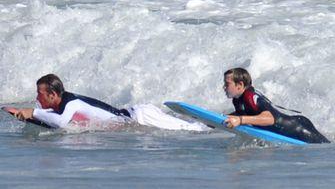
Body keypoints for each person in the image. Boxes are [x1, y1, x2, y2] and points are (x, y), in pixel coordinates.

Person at [7, 74, 208, 131]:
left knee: (193, 130)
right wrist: (21, 115)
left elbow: (59, 123)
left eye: (40, 94)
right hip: (135, 119)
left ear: (52, 94)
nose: (37, 98)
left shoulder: (71, 103)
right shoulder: (60, 108)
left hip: (141, 116)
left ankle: (216, 125)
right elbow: (55, 125)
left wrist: (31, 112)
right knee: (187, 127)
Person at [223, 67, 330, 143]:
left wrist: (240, 120)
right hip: (290, 127)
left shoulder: (251, 98)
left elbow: (270, 119)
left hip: (298, 128)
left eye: (227, 84)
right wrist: (221, 119)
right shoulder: (238, 100)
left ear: (240, 85)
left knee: (327, 148)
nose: (224, 87)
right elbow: (245, 113)